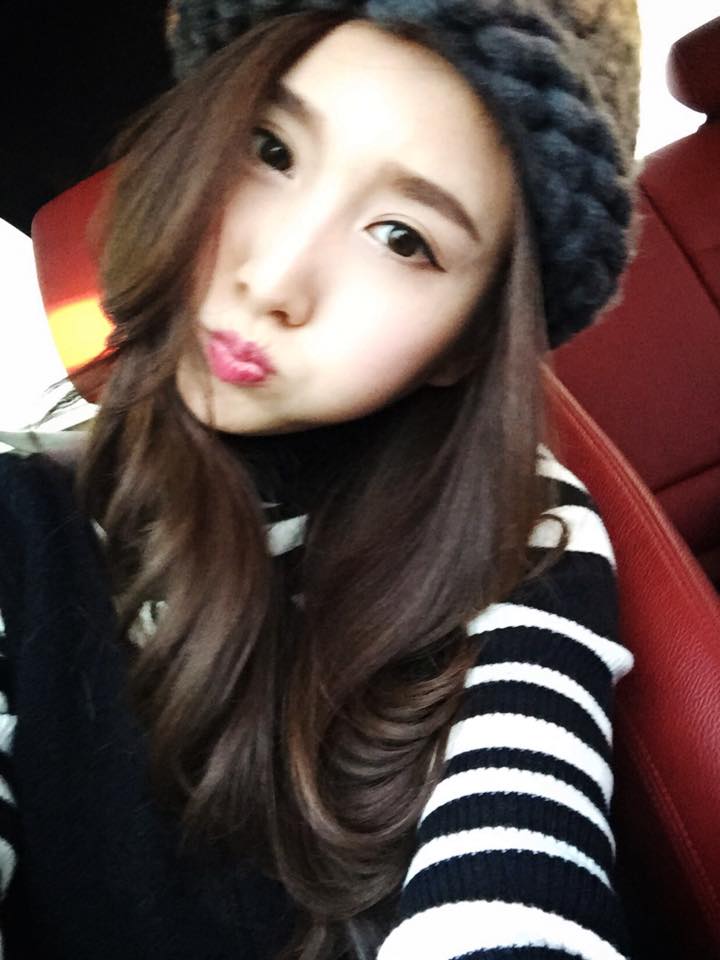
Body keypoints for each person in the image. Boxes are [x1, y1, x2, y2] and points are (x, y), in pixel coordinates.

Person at [0, 1, 642, 958]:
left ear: (466, 344)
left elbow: (520, 846)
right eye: (269, 149)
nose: (273, 282)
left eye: (402, 237)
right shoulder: (24, 514)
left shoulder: (520, 532)